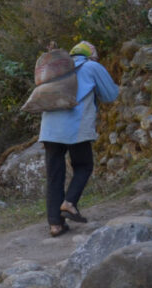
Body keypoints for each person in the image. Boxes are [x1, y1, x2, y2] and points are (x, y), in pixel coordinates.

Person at [38, 41, 119, 238]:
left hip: (49, 128)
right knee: (83, 166)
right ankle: (69, 203)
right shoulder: (92, 66)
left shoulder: (55, 68)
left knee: (54, 175)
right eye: (95, 52)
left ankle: (55, 225)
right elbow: (110, 95)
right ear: (89, 53)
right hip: (76, 126)